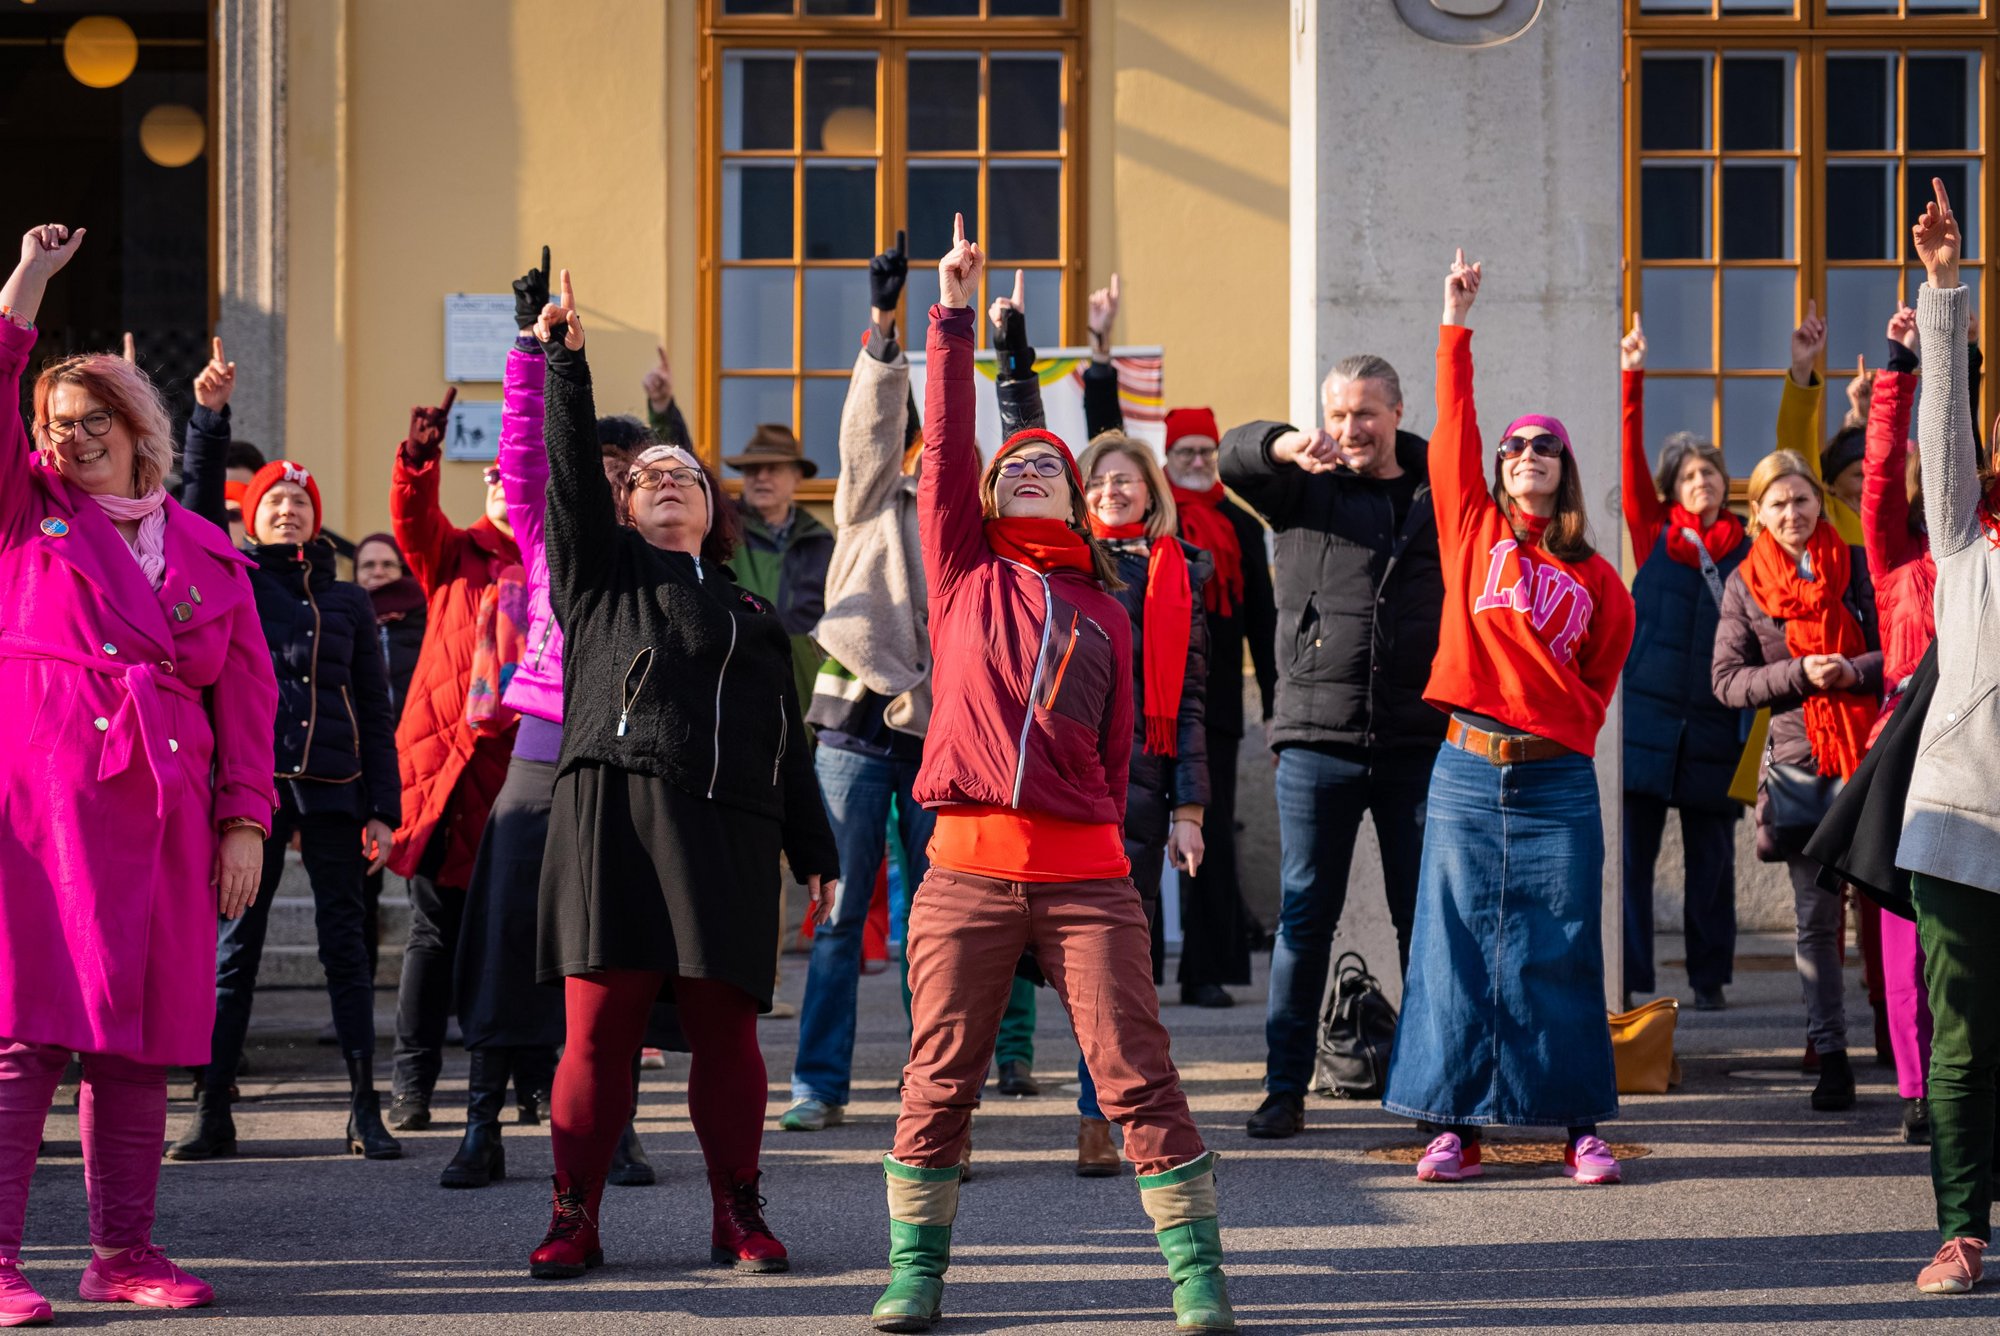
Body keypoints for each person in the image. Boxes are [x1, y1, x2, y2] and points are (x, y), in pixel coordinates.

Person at [870, 215, 1233, 1335]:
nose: (1029, 467)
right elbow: (945, 444)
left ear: (1072, 501)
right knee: (940, 1076)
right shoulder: (960, 571)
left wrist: (1118, 827)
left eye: (1046, 467)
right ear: (988, 491)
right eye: (1012, 462)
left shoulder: (1104, 608)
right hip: (965, 872)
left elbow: (1120, 749)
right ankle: (913, 1275)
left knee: (1134, 1074)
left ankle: (1197, 1276)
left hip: (1085, 876)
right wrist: (952, 313)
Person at [524, 270, 838, 1280]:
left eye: (685, 474)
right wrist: (563, 365)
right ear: (621, 504)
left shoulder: (752, 616)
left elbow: (786, 743)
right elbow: (568, 471)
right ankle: (575, 1216)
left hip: (730, 827)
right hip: (608, 807)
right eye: (648, 472)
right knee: (597, 1033)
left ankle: (736, 1213)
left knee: (727, 1037)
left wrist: (816, 845)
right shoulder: (599, 575)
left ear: (712, 509)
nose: (667, 478)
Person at [0, 223, 277, 1318]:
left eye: (92, 421)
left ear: (135, 428)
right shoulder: (24, 514)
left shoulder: (210, 547)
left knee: (138, 1045)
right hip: (44, 807)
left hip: (168, 813)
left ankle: (124, 1253)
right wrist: (25, 289)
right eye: (56, 423)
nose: (70, 438)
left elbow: (248, 697)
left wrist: (244, 821)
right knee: (27, 1036)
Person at [1381, 250, 1635, 1187]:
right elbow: (1452, 431)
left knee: (1559, 944)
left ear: (1566, 472)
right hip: (1463, 769)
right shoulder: (1472, 531)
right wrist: (1455, 322)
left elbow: (1601, 679)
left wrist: (1558, 731)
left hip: (1556, 777)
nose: (1527, 457)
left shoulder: (1600, 582)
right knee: (1451, 944)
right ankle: (1455, 1126)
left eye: (1546, 448)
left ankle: (1576, 1127)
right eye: (1515, 448)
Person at [1220, 352, 1445, 1140]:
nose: (1351, 428)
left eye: (1366, 414)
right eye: (1340, 413)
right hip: (1317, 739)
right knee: (1304, 918)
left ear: (1396, 412)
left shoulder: (1437, 490)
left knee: (1423, 919)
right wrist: (1285, 444)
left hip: (1418, 739)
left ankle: (1429, 1090)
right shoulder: (1301, 488)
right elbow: (1231, 453)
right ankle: (1285, 1089)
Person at [166, 455, 402, 1162]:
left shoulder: (349, 599)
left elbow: (374, 706)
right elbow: (195, 512)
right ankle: (213, 1108)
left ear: (316, 517)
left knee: (346, 951)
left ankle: (366, 1107)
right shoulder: (233, 578)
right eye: (276, 501)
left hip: (335, 789)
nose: (289, 511)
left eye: (301, 501)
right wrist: (209, 429)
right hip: (252, 791)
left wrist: (383, 809)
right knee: (235, 953)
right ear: (253, 513)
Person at [1075, 272, 1278, 1009]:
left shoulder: (1238, 528)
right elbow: (1107, 446)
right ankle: (1141, 976)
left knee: (1206, 835)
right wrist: (1101, 353)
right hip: (1133, 703)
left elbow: (1263, 617)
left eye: (1204, 449)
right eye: (1184, 449)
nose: (1194, 458)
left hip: (1206, 700)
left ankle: (1205, 967)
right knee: (1127, 849)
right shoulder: (1155, 531)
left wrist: (1276, 699)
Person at [436, 247, 587, 1190]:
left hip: (615, 755)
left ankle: (607, 1120)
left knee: (602, 945)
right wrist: (532, 352)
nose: (619, 485)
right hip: (539, 743)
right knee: (501, 934)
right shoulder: (545, 541)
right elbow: (528, 456)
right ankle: (481, 1119)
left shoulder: (658, 564)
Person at [788, 233, 940, 1134]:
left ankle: (931, 1089)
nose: (929, 452)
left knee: (939, 922)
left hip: (938, 724)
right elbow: (869, 429)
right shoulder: (869, 495)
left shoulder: (973, 511)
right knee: (840, 913)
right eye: (920, 439)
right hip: (853, 718)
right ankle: (818, 1083)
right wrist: (884, 332)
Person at [1711, 446, 1882, 1114]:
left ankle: (1902, 1044)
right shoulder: (1743, 584)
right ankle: (1831, 1056)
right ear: (1758, 513)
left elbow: (1896, 651)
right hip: (1799, 765)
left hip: (1869, 758)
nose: (1792, 513)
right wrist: (1798, 675)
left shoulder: (1856, 562)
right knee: (1815, 922)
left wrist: (1854, 671)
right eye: (1776, 503)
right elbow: (1725, 682)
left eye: (1801, 500)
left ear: (1820, 502)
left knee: (1886, 910)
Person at [1900, 180, 2000, 1296]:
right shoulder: (1966, 545)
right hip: (1961, 826)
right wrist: (1941, 293)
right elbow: (1939, 437)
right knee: (1963, 1044)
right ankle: (1960, 1229)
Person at [1074, 429, 1211, 1177]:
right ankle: (951, 1124)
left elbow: (1188, 703)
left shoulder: (1179, 573)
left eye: (1124, 481)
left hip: (1142, 792)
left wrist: (1190, 813)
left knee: (1120, 971)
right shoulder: (1061, 564)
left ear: (1151, 491)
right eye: (1096, 483)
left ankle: (1101, 1120)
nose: (1109, 493)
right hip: (1062, 782)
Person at [386, 388, 522, 1129]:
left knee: (510, 943)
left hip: (515, 773)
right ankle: (412, 1087)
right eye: (494, 475)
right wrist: (418, 459)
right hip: (441, 771)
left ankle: (514, 1088)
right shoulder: (454, 552)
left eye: (515, 476)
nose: (503, 484)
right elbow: (411, 517)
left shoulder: (547, 557)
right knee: (432, 938)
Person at [1616, 314, 1750, 1013]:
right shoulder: (1653, 534)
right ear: (1672, 489)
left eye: (1711, 472)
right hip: (1646, 720)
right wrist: (1631, 374)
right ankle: (1634, 977)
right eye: (1689, 473)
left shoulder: (1748, 548)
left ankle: (1708, 979)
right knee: (1632, 864)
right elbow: (1629, 459)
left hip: (1713, 726)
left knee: (1713, 866)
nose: (1701, 480)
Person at [1859, 303, 1937, 1145]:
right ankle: (1916, 1090)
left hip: (1980, 743)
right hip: (1904, 747)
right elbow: (1880, 471)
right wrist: (1899, 368)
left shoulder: (1985, 547)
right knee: (1904, 927)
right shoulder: (1894, 556)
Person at [726, 421, 833, 711]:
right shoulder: (721, 528)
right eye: (752, 469)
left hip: (803, 687)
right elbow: (681, 474)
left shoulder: (822, 541)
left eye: (773, 468)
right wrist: (663, 408)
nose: (761, 477)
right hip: (736, 679)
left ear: (797, 477)